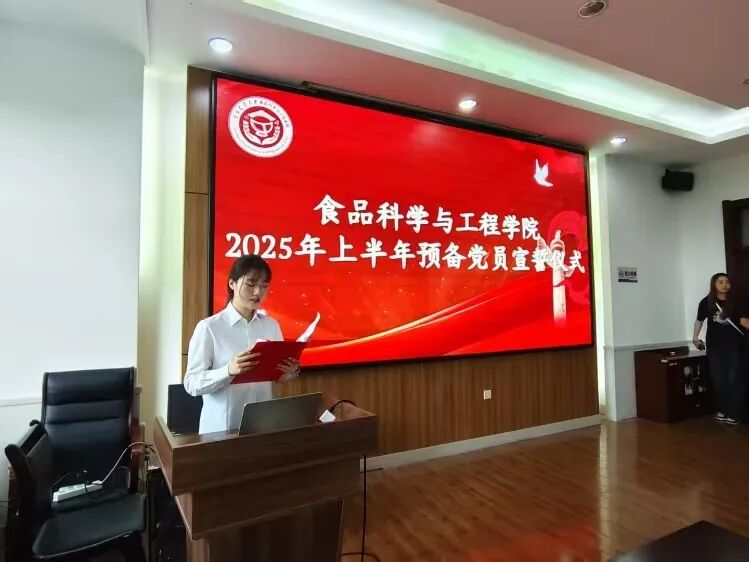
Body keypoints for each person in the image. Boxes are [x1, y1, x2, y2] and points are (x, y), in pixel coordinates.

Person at [184, 254, 300, 434]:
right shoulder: (209, 328)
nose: (258, 292)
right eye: (251, 284)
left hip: (262, 425)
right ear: (232, 283)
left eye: (264, 286)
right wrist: (228, 370)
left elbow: (276, 376)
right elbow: (191, 384)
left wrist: (290, 372)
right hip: (221, 429)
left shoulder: (271, 326)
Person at [693, 273, 744, 425]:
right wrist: (695, 337)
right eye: (720, 282)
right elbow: (699, 320)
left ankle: (733, 412)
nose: (724, 285)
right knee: (718, 379)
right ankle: (722, 409)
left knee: (733, 379)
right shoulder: (706, 302)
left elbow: (743, 321)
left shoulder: (736, 302)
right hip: (715, 346)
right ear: (714, 284)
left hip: (734, 345)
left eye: (727, 282)